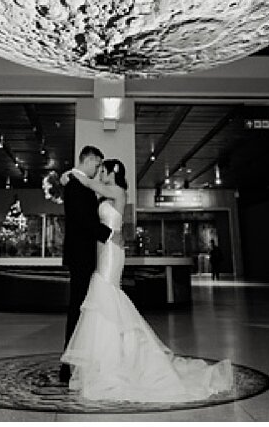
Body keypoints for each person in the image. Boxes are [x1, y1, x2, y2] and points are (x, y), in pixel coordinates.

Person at [60, 158, 234, 402]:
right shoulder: (105, 194)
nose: (100, 173)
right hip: (104, 250)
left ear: (111, 172)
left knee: (106, 294)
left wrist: (70, 175)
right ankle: (107, 358)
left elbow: (89, 183)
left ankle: (114, 360)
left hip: (112, 253)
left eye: (103, 170)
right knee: (103, 297)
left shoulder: (117, 191)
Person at [58, 145, 105, 384]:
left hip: (82, 255)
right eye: (97, 165)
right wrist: (108, 234)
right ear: (88, 160)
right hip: (80, 255)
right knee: (77, 307)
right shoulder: (76, 184)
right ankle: (68, 365)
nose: (98, 170)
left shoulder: (76, 182)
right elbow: (84, 220)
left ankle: (76, 360)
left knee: (81, 307)